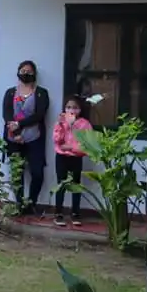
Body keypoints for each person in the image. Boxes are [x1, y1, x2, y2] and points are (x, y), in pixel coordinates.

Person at [2, 60, 50, 215]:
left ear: (34, 74)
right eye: (23, 71)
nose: (26, 74)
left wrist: (20, 124)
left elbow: (39, 114)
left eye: (29, 71)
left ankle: (32, 203)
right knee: (17, 173)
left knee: (37, 173)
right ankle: (20, 204)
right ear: (18, 72)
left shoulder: (41, 93)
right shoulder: (10, 92)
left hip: (34, 138)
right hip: (13, 139)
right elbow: (7, 114)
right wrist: (15, 134)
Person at [52, 95, 92, 227]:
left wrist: (70, 147)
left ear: (80, 109)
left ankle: (75, 213)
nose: (71, 110)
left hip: (76, 158)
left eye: (75, 107)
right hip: (61, 157)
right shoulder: (61, 122)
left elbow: (86, 145)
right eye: (68, 107)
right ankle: (58, 213)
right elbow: (57, 140)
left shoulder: (84, 124)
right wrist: (62, 125)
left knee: (76, 185)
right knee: (61, 185)